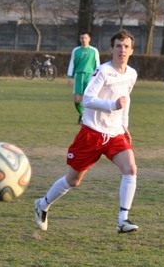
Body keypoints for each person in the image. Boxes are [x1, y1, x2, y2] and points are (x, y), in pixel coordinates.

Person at [34, 30, 140, 234]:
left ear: (132, 50)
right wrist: (112, 105)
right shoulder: (103, 71)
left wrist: (124, 125)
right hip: (91, 133)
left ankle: (122, 219)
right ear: (112, 49)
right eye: (118, 46)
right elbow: (87, 99)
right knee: (74, 180)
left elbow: (125, 100)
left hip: (115, 134)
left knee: (131, 169)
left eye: (126, 46)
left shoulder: (132, 74)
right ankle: (43, 204)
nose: (122, 50)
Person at [67, 32, 101, 124]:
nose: (83, 40)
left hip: (90, 76)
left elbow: (97, 65)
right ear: (80, 39)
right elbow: (72, 63)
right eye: (82, 38)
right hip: (78, 76)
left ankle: (87, 118)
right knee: (77, 99)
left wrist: (97, 77)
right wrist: (70, 76)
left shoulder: (94, 51)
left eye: (85, 38)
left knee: (89, 97)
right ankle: (82, 114)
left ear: (89, 39)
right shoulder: (76, 50)